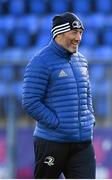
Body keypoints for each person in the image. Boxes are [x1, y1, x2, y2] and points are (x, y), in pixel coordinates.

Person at [22, 12, 96, 179]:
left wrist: (89, 119)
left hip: (82, 144)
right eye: (74, 33)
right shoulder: (40, 62)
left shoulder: (81, 60)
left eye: (81, 33)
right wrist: (58, 124)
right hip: (52, 142)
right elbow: (30, 102)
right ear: (59, 34)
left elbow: (86, 93)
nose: (79, 38)